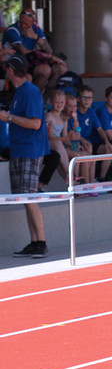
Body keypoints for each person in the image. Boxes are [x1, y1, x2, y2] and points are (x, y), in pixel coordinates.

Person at [5, 55, 50, 258]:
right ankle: (34, 241)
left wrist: (8, 117)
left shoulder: (29, 92)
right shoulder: (21, 91)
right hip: (20, 149)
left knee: (30, 197)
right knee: (25, 197)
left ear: (11, 71)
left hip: (30, 151)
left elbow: (35, 123)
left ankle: (41, 242)